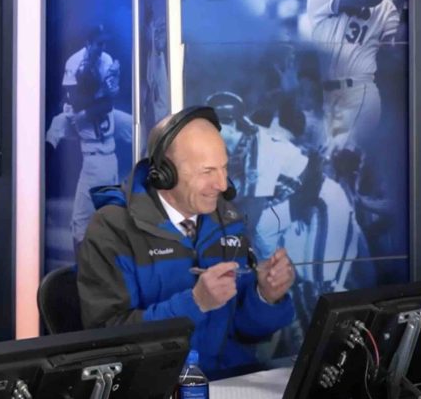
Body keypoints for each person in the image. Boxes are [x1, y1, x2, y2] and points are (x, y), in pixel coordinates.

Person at [77, 106, 295, 373]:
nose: (223, 184)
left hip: (226, 384)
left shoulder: (228, 221)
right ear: (164, 174)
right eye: (208, 172)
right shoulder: (112, 230)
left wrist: (265, 296)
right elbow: (108, 342)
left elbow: (243, 330)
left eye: (224, 168)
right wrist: (195, 303)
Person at [306, 0, 404, 154]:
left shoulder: (386, 7)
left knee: (337, 155)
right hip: (331, 96)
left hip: (359, 92)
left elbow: (391, 50)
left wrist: (400, 3)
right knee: (330, 161)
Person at [45, 24, 132, 250]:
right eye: (99, 43)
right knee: (58, 123)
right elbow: (76, 104)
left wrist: (99, 95)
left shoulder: (106, 60)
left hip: (97, 148)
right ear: (88, 43)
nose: (102, 47)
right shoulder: (74, 63)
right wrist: (101, 92)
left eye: (105, 42)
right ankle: (40, 166)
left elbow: (105, 104)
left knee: (132, 124)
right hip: (82, 122)